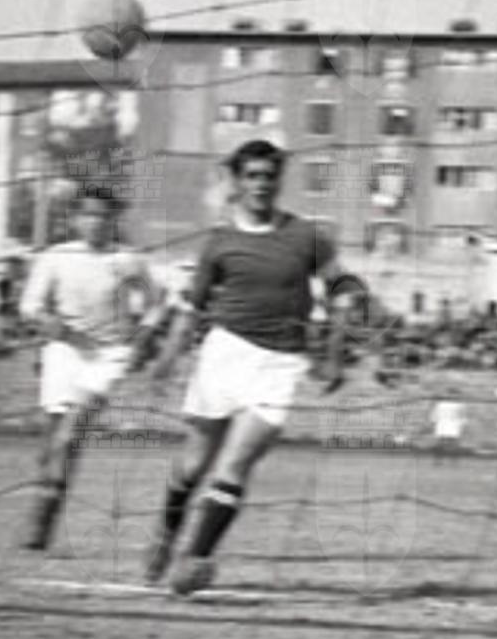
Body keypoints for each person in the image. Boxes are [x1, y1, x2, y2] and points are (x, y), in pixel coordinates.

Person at [145, 140, 367, 595]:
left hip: (279, 364)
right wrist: (167, 358)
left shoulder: (306, 236)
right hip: (223, 355)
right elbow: (192, 306)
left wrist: (336, 344)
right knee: (193, 464)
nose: (261, 184)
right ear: (238, 181)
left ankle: (194, 558)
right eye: (252, 176)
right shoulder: (219, 242)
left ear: (279, 181)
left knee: (236, 464)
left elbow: (342, 282)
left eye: (269, 176)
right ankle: (167, 531)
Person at [17, 184, 163, 551]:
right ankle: (45, 513)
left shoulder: (127, 260)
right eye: (88, 215)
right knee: (54, 444)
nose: (96, 222)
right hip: (64, 352)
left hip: (108, 355)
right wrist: (50, 323)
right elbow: (29, 305)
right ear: (75, 219)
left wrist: (143, 338)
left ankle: (43, 520)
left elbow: (156, 302)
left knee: (70, 433)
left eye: (103, 215)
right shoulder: (56, 256)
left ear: (114, 220)